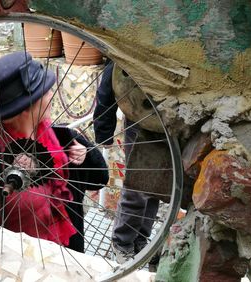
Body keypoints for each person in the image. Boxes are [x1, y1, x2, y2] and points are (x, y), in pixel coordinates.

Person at [0, 51, 104, 248]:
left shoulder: (45, 131)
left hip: (49, 243)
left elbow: (90, 178)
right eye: (46, 91)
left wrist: (83, 155)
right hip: (4, 255)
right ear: (27, 107)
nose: (52, 94)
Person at [93, 61, 160, 264]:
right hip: (139, 123)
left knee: (156, 188)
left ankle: (141, 238)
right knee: (136, 189)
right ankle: (122, 242)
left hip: (166, 124)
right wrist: (104, 131)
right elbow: (109, 83)